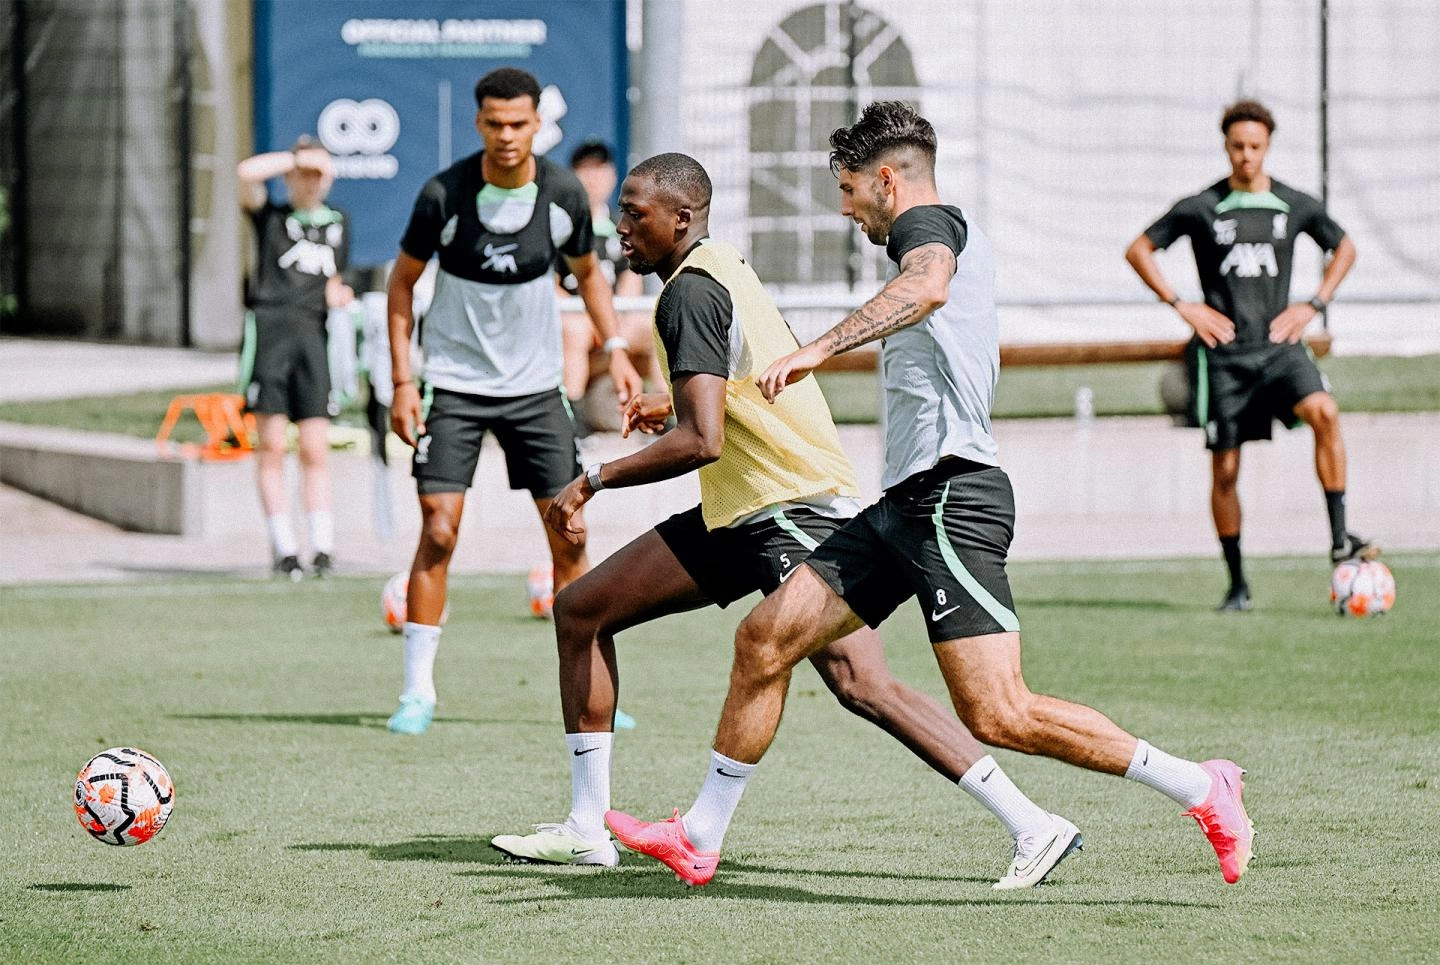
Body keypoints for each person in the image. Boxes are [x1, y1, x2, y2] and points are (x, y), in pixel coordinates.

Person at [606, 103, 1254, 888]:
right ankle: (700, 834)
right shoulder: (914, 243)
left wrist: (818, 346)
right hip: (901, 508)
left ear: (887, 179)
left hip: (955, 497)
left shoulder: (931, 229)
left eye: (849, 190)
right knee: (763, 641)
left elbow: (929, 286)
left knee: (1000, 713)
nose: (846, 209)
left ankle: (1200, 784)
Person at [490, 152, 1079, 890]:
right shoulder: (715, 266)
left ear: (682, 217)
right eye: (621, 213)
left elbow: (700, 441)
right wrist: (668, 409)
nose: (620, 228)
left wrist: (592, 479)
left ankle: (1033, 822)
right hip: (742, 509)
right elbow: (726, 399)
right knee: (582, 609)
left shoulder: (690, 294)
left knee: (863, 683)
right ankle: (586, 828)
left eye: (634, 213)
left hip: (792, 507)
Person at [385, 68, 643, 735]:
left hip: (535, 390)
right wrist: (404, 382)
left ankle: (595, 685)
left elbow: (589, 275)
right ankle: (417, 693)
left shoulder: (561, 194)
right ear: (480, 124)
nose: (506, 135)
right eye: (495, 123)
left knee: (568, 532)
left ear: (535, 123)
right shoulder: (443, 195)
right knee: (439, 531)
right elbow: (401, 287)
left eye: (518, 123)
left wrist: (615, 348)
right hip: (454, 385)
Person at [1125, 98, 1372, 612]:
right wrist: (1182, 305)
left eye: (1255, 146)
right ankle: (1237, 584)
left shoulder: (1293, 204)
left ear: (1268, 147)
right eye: (1237, 146)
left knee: (1325, 412)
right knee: (1226, 471)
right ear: (1226, 147)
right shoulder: (1201, 206)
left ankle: (1340, 536)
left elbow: (1344, 247)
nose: (1246, 156)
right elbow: (1139, 249)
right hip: (1224, 358)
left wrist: (1315, 303)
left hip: (1281, 350)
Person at [237, 136, 353, 580]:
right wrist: (295, 158)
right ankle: (283, 547)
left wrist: (339, 295)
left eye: (317, 175)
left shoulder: (338, 220)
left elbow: (332, 278)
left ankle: (322, 546)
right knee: (270, 446)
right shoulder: (272, 217)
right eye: (302, 175)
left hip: (313, 339)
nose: (310, 183)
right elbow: (246, 175)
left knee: (313, 447)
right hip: (270, 335)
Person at [557, 140, 663, 432]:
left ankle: (667, 412)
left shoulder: (624, 227)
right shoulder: (560, 226)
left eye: (600, 169)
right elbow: (550, 284)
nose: (593, 178)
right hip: (573, 326)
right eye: (585, 170)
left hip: (613, 328)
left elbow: (631, 281)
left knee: (652, 326)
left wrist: (611, 324)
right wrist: (593, 320)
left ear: (614, 175)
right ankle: (571, 420)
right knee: (574, 329)